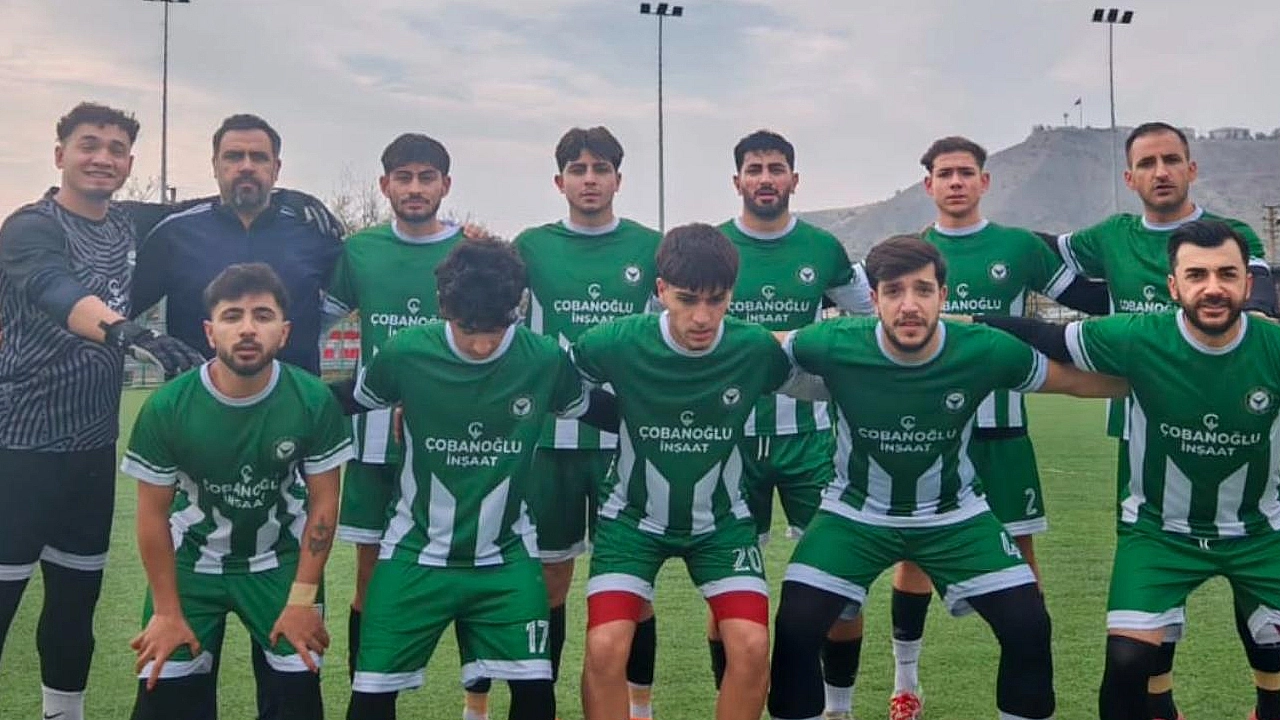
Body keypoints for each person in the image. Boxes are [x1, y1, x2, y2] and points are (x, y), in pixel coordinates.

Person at [766, 235, 1128, 720]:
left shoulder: (982, 349)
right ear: (873, 299)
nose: (909, 305)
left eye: (922, 290)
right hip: (853, 514)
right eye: (893, 291)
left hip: (954, 516)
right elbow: (756, 349)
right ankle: (836, 711)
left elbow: (1072, 381)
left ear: (943, 295)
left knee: (1028, 625)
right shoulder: (833, 343)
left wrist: (1167, 378)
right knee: (795, 625)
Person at [976, 219, 1280, 720]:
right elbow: (1049, 336)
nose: (1213, 288)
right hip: (1160, 534)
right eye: (1197, 275)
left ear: (1248, 284)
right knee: (1126, 663)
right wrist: (961, 324)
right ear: (1173, 286)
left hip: (1262, 535)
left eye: (1227, 274)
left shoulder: (1272, 347)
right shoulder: (1140, 337)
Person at [1055, 121, 1279, 720]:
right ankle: (1161, 702)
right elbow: (1061, 296)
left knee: (1259, 597)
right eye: (1148, 163)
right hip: (1145, 425)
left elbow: (1262, 300)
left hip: (1248, 456)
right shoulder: (1114, 242)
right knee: (1147, 611)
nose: (1161, 172)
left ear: (1191, 168)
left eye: (1172, 159)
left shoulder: (1232, 242)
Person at [342, 237, 612, 720]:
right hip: (413, 555)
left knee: (536, 694)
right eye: (469, 329)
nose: (484, 344)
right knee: (369, 700)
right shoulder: (406, 353)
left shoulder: (543, 358)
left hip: (507, 558)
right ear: (443, 307)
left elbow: (603, 410)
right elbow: (342, 401)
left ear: (517, 307)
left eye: (497, 327)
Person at [887, 135, 1108, 719]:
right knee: (913, 552)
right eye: (944, 173)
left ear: (985, 181)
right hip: (931, 435)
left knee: (1021, 558)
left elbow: (1091, 301)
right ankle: (905, 685)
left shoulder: (1018, 247)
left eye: (966, 172)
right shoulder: (911, 252)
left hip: (1003, 429)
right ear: (928, 184)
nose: (956, 182)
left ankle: (1031, 683)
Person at [0, 102, 203, 720]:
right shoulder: (30, 227)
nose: (102, 158)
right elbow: (56, 291)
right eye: (89, 145)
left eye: (116, 150)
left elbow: (210, 208)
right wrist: (128, 332)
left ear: (129, 164)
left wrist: (287, 199)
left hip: (90, 452)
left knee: (73, 611)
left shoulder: (129, 223)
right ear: (59, 154)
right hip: (18, 450)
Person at [576, 223, 799, 720]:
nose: (702, 317)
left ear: (731, 295)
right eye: (686, 299)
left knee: (751, 647)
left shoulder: (753, 347)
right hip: (631, 522)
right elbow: (547, 378)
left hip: (721, 525)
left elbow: (827, 377)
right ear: (661, 290)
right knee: (605, 648)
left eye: (716, 301)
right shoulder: (616, 341)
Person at [482, 126, 662, 720]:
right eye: (578, 169)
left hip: (624, 443)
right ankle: (542, 704)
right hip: (549, 441)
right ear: (559, 181)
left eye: (600, 168)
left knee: (633, 587)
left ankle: (639, 708)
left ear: (618, 179)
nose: (590, 179)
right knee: (549, 579)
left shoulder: (649, 247)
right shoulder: (530, 247)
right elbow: (494, 320)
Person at [122, 262, 351, 720]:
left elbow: (324, 504)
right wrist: (166, 612)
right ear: (210, 332)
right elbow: (151, 516)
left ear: (284, 333)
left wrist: (302, 600)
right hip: (192, 561)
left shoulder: (312, 400)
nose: (247, 329)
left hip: (279, 561)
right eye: (232, 316)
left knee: (297, 695)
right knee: (163, 693)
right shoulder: (168, 407)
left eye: (262, 316)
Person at [715, 129, 873, 720]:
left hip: (811, 440)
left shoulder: (822, 248)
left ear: (793, 179)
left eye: (775, 168)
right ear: (737, 180)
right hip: (730, 441)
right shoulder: (716, 247)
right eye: (754, 169)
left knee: (841, 589)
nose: (765, 178)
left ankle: (839, 708)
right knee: (727, 592)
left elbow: (869, 318)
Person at [322, 132, 464, 682]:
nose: (415, 188)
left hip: (453, 441)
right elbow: (319, 322)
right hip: (374, 440)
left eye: (426, 178)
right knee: (370, 575)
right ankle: (367, 689)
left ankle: (474, 699)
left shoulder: (468, 250)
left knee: (471, 568)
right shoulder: (359, 251)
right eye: (403, 178)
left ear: (445, 185)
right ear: (384, 185)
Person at [131, 113, 344, 375]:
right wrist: (142, 338)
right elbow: (119, 308)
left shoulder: (315, 233)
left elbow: (362, 298)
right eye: (233, 157)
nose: (246, 166)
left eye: (259, 157)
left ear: (276, 168)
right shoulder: (173, 235)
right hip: (199, 395)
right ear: (215, 165)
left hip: (294, 397)